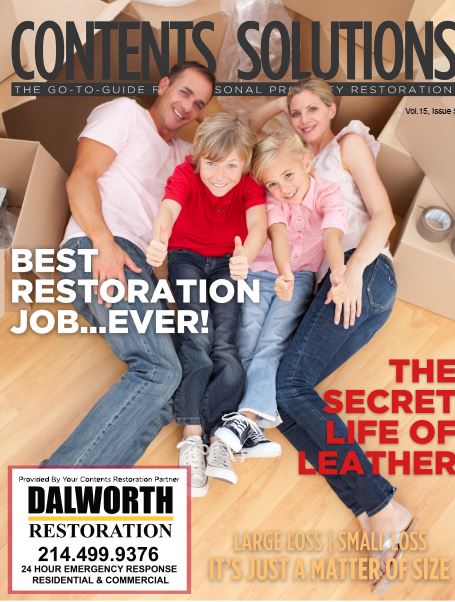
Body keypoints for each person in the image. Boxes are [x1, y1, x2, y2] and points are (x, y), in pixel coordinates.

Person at [251, 79, 416, 594]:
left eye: (312, 109)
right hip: (334, 283)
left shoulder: (347, 145)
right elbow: (252, 131)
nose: (302, 119)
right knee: (280, 397)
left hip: (364, 274)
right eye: (295, 112)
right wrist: (281, 103)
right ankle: (371, 508)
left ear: (332, 109)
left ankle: (385, 506)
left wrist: (350, 273)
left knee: (289, 389)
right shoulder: (293, 165)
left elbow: (385, 215)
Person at [42, 62, 214, 467]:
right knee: (158, 370)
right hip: (101, 246)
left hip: (140, 267)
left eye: (200, 103)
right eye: (185, 92)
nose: (189, 106)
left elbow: (238, 148)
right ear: (164, 85)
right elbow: (80, 178)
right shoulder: (125, 113)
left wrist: (277, 105)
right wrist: (103, 244)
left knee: (177, 385)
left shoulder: (185, 156)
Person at [146, 112, 267, 497]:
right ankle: (192, 434)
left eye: (231, 165)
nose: (219, 175)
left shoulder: (248, 185)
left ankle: (217, 440)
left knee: (226, 348)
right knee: (195, 336)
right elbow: (168, 209)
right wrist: (160, 237)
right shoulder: (185, 174)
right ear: (198, 159)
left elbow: (259, 225)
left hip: (229, 265)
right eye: (212, 164)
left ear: (245, 164)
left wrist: (245, 256)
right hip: (186, 257)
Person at [215, 130, 348, 458]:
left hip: (300, 278)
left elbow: (332, 237)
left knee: (272, 342)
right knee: (246, 342)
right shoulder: (272, 200)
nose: (283, 189)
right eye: (272, 183)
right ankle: (247, 430)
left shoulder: (329, 194)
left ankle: (245, 420)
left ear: (306, 162)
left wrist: (340, 274)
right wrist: (281, 269)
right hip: (264, 272)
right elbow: (277, 234)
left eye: (287, 176)